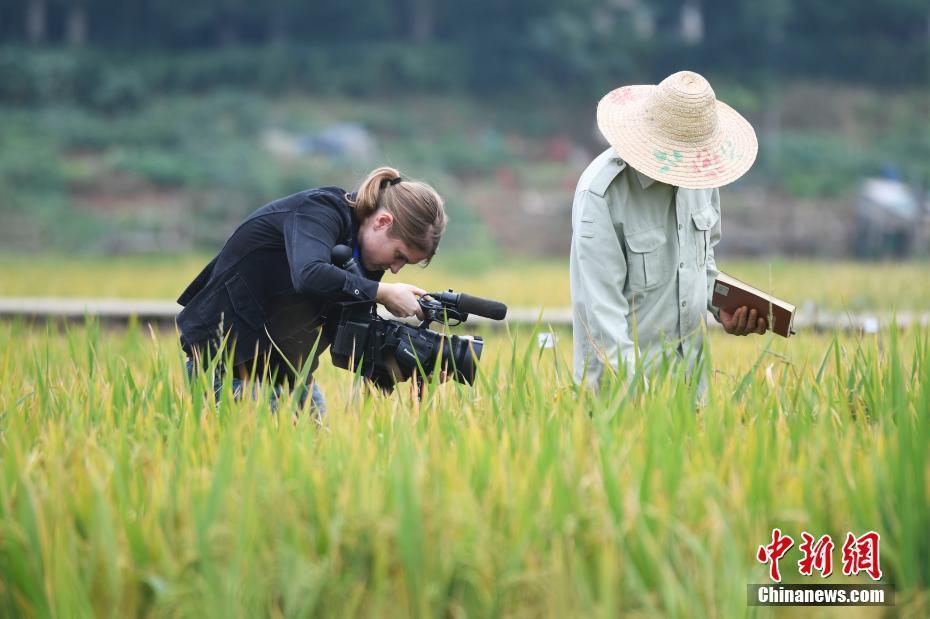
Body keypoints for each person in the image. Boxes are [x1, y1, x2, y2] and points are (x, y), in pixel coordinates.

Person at [176, 166, 446, 414]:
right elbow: (309, 274)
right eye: (399, 255)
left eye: (404, 264)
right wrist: (383, 292)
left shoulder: (367, 260)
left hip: (290, 378)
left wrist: (415, 364)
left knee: (314, 459)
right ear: (382, 222)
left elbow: (349, 337)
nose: (396, 269)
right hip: (223, 369)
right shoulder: (319, 211)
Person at [570, 70, 766, 391]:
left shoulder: (702, 178)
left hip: (692, 391)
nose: (690, 167)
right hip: (621, 399)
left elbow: (700, 267)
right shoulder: (604, 193)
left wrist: (724, 306)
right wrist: (641, 398)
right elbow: (601, 316)